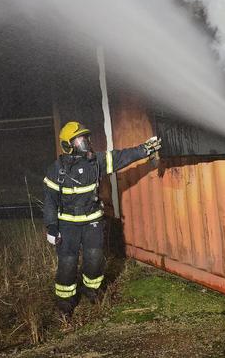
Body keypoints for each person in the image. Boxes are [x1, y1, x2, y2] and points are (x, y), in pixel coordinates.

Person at [43, 120, 161, 319]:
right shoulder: (57, 170)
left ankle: (92, 291)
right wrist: (52, 227)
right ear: (67, 145)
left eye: (85, 139)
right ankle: (65, 303)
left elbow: (121, 157)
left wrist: (145, 149)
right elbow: (49, 201)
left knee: (95, 258)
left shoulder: (95, 162)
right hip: (68, 225)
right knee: (68, 263)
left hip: (92, 221)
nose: (85, 143)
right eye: (79, 140)